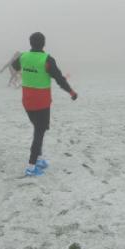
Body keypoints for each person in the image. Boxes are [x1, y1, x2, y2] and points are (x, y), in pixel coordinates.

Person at [11, 32, 77, 176]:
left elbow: (14, 65)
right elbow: (59, 79)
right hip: (41, 102)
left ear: (30, 43)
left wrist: (27, 70)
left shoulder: (23, 57)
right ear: (44, 43)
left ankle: (39, 159)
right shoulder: (46, 59)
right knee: (39, 132)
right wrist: (71, 92)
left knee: (38, 128)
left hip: (27, 101)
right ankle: (31, 166)